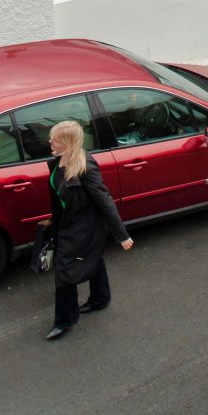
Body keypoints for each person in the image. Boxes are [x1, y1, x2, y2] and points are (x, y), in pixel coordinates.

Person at [43, 120, 134, 340]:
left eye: (54, 138)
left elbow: (104, 201)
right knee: (93, 258)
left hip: (84, 228)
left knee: (64, 272)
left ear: (67, 142)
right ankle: (100, 299)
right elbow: (58, 197)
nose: (50, 141)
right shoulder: (57, 161)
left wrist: (122, 235)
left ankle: (64, 321)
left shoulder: (86, 166)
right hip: (66, 225)